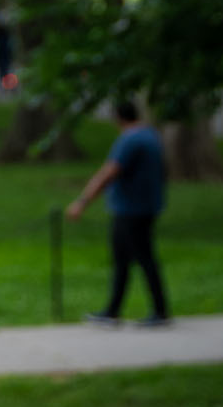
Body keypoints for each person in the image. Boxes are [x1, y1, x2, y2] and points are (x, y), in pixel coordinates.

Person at [66, 99, 170, 325]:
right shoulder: (151, 136)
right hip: (146, 206)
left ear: (118, 118)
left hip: (131, 210)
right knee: (123, 259)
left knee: (143, 259)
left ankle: (160, 311)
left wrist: (82, 202)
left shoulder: (129, 140)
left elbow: (108, 172)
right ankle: (113, 310)